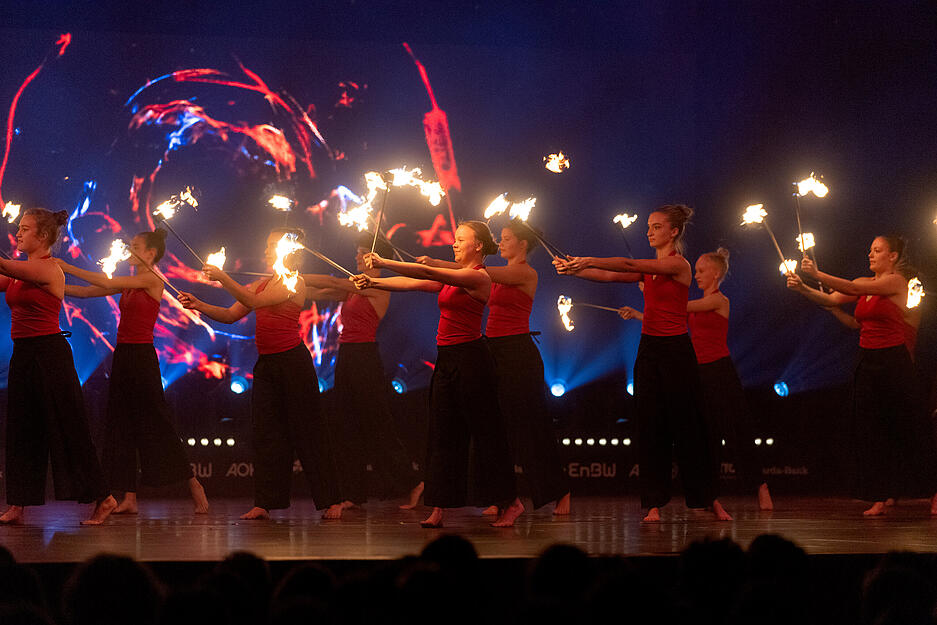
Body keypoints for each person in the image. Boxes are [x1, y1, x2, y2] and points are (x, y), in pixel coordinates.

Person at [555, 205, 730, 522]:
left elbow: (627, 262)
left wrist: (587, 258)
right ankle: (652, 504)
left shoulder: (679, 265)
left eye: (657, 227)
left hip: (677, 351)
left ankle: (708, 498)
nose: (649, 232)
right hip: (649, 350)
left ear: (674, 231)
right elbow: (611, 274)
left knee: (689, 427)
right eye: (648, 226)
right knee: (651, 426)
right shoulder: (650, 268)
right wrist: (572, 269)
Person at [352, 221, 518, 527]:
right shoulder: (452, 278)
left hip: (473, 360)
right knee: (442, 434)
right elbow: (416, 282)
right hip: (447, 359)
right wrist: (375, 282)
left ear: (478, 246)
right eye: (454, 240)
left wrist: (384, 261)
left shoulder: (477, 277)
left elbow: (429, 272)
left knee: (486, 432)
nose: (454, 244)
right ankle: (439, 507)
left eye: (460, 240)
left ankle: (512, 502)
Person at [178, 228, 342, 520]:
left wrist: (223, 276)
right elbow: (231, 315)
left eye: (271, 246)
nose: (266, 251)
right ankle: (265, 502)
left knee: (309, 432)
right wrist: (198, 304)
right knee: (267, 435)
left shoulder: (295, 282)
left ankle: (331, 500)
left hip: (293, 363)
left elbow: (253, 303)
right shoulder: (262, 284)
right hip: (267, 365)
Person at [419, 219, 569, 516]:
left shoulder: (524, 272)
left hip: (518, 353)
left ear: (522, 244)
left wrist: (433, 262)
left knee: (529, 426)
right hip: (489, 350)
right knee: (489, 427)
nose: (500, 243)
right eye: (498, 238)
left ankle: (559, 491)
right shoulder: (488, 275)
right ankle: (496, 497)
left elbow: (479, 271)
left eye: (506, 238)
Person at [56, 229, 209, 514]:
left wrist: (66, 267)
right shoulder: (129, 281)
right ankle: (129, 497)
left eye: (136, 245)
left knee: (157, 422)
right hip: (124, 356)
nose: (130, 248)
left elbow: (103, 280)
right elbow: (91, 291)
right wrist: (53, 284)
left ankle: (193, 484)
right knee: (121, 425)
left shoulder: (151, 278)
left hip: (142, 357)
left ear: (150, 253)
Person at [787, 235, 937, 516]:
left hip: (895, 360)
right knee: (871, 430)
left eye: (877, 250)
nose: (871, 254)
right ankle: (879, 495)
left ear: (892, 257)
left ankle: (934, 490)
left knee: (911, 427)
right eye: (870, 249)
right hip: (867, 361)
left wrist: (816, 273)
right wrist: (802, 288)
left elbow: (850, 286)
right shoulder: (865, 284)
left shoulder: (895, 282)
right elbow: (831, 298)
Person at [619, 248, 772, 510]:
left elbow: (679, 306)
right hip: (696, 372)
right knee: (705, 436)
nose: (697, 276)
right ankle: (710, 498)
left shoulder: (719, 301)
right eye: (697, 271)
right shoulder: (694, 304)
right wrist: (638, 313)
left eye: (701, 271)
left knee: (736, 432)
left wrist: (652, 293)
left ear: (716, 273)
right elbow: (669, 316)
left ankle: (760, 486)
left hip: (720, 371)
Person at [0, 208, 115, 525]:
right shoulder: (20, 271)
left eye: (25, 229)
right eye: (19, 228)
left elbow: (7, 266)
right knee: (21, 428)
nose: (19, 233)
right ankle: (19, 504)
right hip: (24, 353)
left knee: (70, 427)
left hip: (51, 353)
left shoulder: (49, 269)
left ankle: (104, 498)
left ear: (43, 236)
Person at [302, 232, 423, 510]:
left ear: (373, 256)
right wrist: (283, 285)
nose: (356, 256)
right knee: (344, 426)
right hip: (347, 357)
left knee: (377, 424)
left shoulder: (376, 285)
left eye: (360, 252)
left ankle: (413, 482)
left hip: (365, 358)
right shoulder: (354, 286)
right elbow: (320, 291)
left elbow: (332, 281)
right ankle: (352, 493)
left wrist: (295, 274)